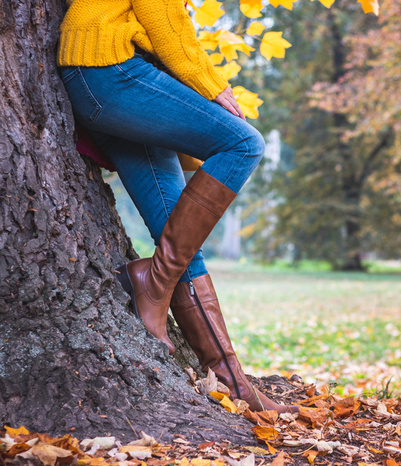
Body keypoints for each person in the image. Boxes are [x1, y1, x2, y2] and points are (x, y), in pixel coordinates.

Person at [57, 0, 299, 413]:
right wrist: (212, 86)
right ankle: (152, 282)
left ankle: (230, 381)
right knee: (243, 143)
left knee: (179, 236)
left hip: (108, 79)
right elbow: (165, 18)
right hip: (109, 72)